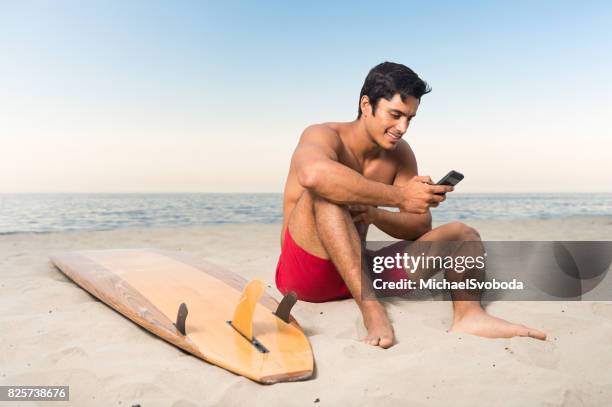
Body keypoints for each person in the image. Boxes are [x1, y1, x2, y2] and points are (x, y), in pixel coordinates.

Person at [275, 62, 546, 348]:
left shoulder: (399, 153)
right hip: (307, 276)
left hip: (360, 271)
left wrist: (374, 213)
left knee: (462, 235)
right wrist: (401, 197)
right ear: (366, 105)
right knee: (327, 192)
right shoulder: (323, 135)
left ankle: (469, 314)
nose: (402, 128)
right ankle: (372, 311)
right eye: (395, 115)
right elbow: (313, 175)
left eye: (409, 118)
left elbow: (419, 225)